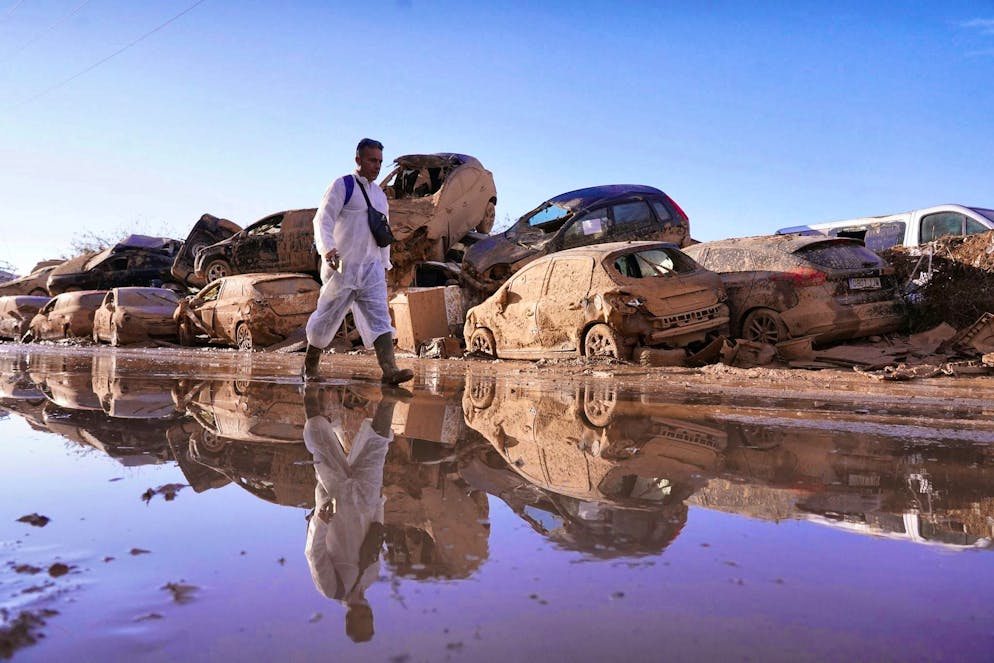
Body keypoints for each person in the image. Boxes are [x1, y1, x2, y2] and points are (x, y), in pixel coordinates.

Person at [302, 138, 413, 385]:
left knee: (380, 317)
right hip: (342, 267)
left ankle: (390, 370)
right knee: (327, 316)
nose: (377, 166)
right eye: (372, 160)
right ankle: (310, 366)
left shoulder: (380, 196)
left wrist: (385, 264)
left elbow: (382, 232)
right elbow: (323, 220)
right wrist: (327, 249)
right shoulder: (343, 186)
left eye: (380, 162)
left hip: (371, 268)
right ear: (358, 160)